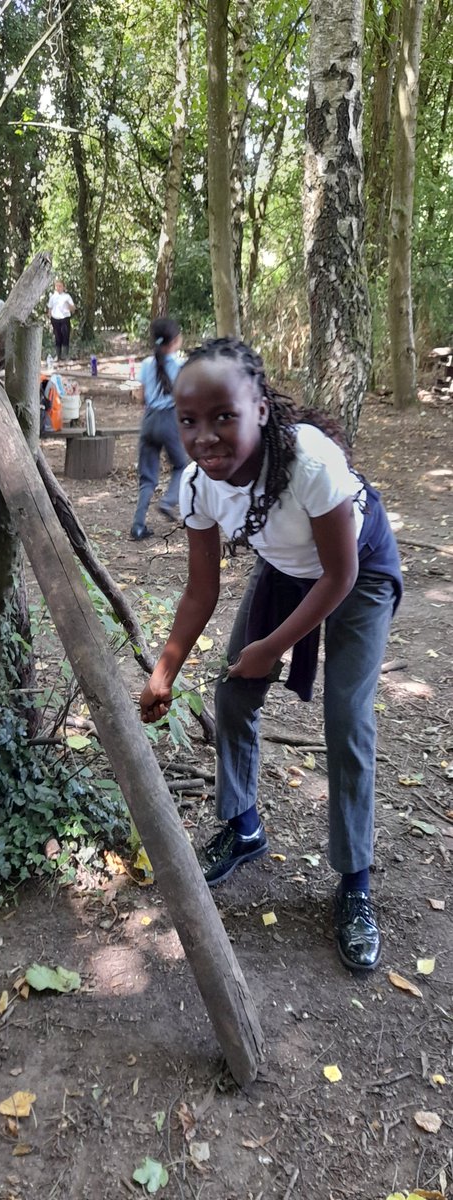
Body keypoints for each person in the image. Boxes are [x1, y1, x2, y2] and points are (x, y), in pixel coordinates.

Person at [139, 338, 403, 972]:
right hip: (285, 570)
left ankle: (355, 885)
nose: (205, 437)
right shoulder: (198, 485)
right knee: (233, 696)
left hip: (357, 572)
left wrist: (270, 648)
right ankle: (244, 823)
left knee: (347, 719)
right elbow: (201, 589)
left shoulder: (311, 462)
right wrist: (163, 672)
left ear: (259, 407)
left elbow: (338, 576)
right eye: (189, 421)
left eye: (224, 416)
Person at [130, 317, 188, 541]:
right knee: (181, 465)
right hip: (169, 420)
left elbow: (141, 396)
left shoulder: (146, 364)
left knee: (147, 477)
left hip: (149, 420)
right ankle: (167, 502)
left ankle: (137, 525)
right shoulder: (181, 366)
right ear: (174, 341)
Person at [47, 280, 75, 361]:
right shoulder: (52, 297)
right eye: (57, 286)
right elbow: (50, 308)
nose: (58, 288)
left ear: (63, 287)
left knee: (65, 336)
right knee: (57, 337)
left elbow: (73, 308)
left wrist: (69, 305)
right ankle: (58, 356)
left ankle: (65, 355)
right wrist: (50, 317)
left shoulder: (67, 296)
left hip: (65, 318)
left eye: (60, 286)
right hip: (55, 319)